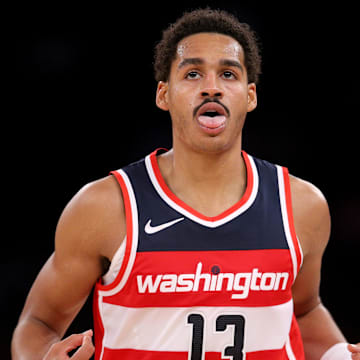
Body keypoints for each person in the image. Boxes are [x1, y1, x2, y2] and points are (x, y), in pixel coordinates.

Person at [11, 8, 359, 360]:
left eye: (228, 74)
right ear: (164, 94)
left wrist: (340, 353)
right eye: (192, 74)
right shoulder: (105, 206)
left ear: (250, 96)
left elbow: (303, 310)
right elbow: (39, 322)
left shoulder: (301, 205)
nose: (212, 87)